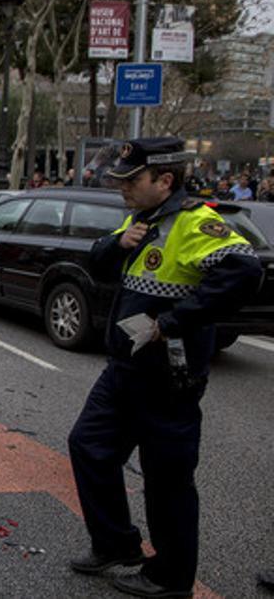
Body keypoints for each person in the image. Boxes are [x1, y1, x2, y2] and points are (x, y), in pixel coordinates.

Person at [66, 137, 263, 598]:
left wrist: (173, 321)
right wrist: (119, 241)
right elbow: (96, 261)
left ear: (165, 180)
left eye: (131, 180)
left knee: (167, 479)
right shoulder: (141, 220)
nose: (122, 188)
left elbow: (246, 270)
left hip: (167, 378)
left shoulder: (196, 222)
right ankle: (117, 545)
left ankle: (171, 577)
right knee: (88, 446)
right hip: (124, 369)